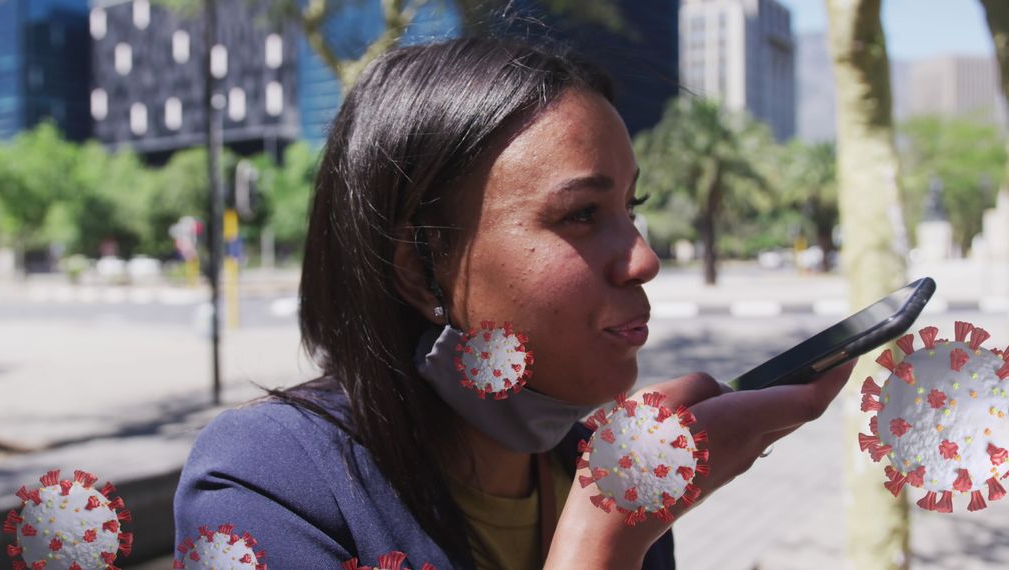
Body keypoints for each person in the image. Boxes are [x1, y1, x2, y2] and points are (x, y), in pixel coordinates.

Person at [173, 37, 854, 569]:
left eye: (631, 206)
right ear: (420, 270)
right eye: (582, 214)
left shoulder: (599, 469)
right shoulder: (265, 484)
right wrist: (602, 539)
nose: (644, 258)